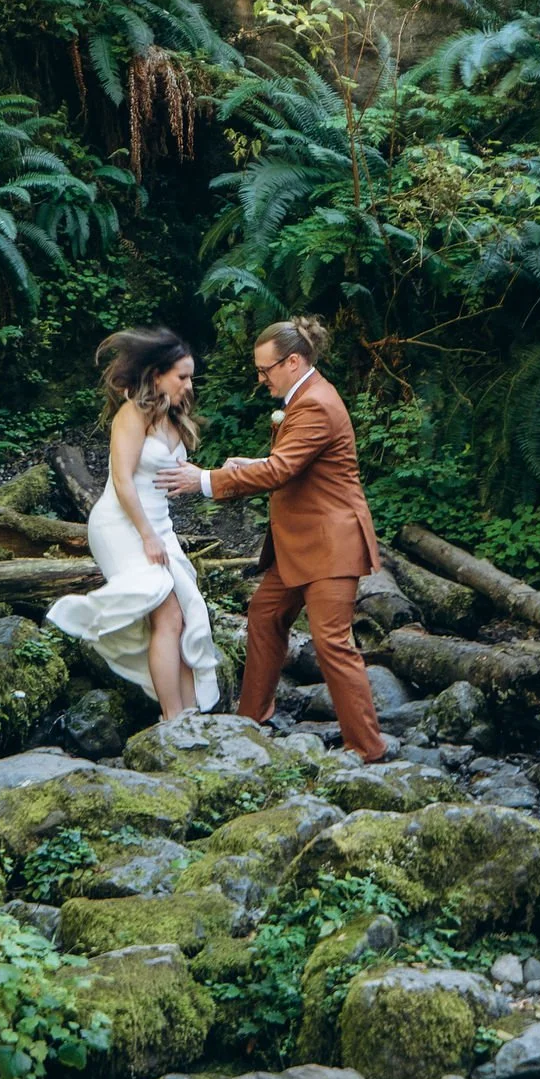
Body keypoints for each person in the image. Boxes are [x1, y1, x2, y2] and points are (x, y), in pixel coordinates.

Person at [157, 314, 386, 762]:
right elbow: (291, 461)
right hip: (301, 544)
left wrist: (205, 479)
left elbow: (282, 470)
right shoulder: (306, 398)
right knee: (264, 615)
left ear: (294, 362)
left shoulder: (315, 403)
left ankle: (368, 749)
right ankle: (252, 719)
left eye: (265, 370)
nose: (260, 379)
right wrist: (248, 464)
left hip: (330, 544)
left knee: (333, 643)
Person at [47, 327, 221, 721]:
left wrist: (198, 478)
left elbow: (165, 475)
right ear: (157, 374)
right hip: (123, 525)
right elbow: (124, 480)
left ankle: (189, 712)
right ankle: (174, 717)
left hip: (157, 525)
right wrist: (147, 536)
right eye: (182, 376)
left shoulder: (173, 417)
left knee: (186, 614)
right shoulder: (133, 413)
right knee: (168, 615)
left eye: (190, 376)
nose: (188, 384)